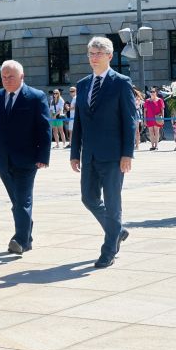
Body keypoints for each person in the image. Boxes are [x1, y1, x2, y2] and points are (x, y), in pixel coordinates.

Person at [70, 36, 136, 269]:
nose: (94, 57)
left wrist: (127, 153)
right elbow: (78, 121)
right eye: (91, 53)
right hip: (89, 155)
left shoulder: (121, 82)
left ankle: (108, 250)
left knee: (113, 202)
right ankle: (117, 230)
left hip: (114, 155)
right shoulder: (83, 84)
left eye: (99, 53)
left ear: (110, 56)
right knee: (88, 198)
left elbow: (130, 121)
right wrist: (74, 152)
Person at [0, 60, 51, 254]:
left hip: (27, 160)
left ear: (22, 77)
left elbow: (44, 128)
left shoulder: (36, 97)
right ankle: (26, 234)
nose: (6, 80)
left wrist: (43, 156)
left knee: (22, 200)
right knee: (17, 202)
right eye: (3, 76)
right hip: (3, 160)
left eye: (11, 76)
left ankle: (20, 240)